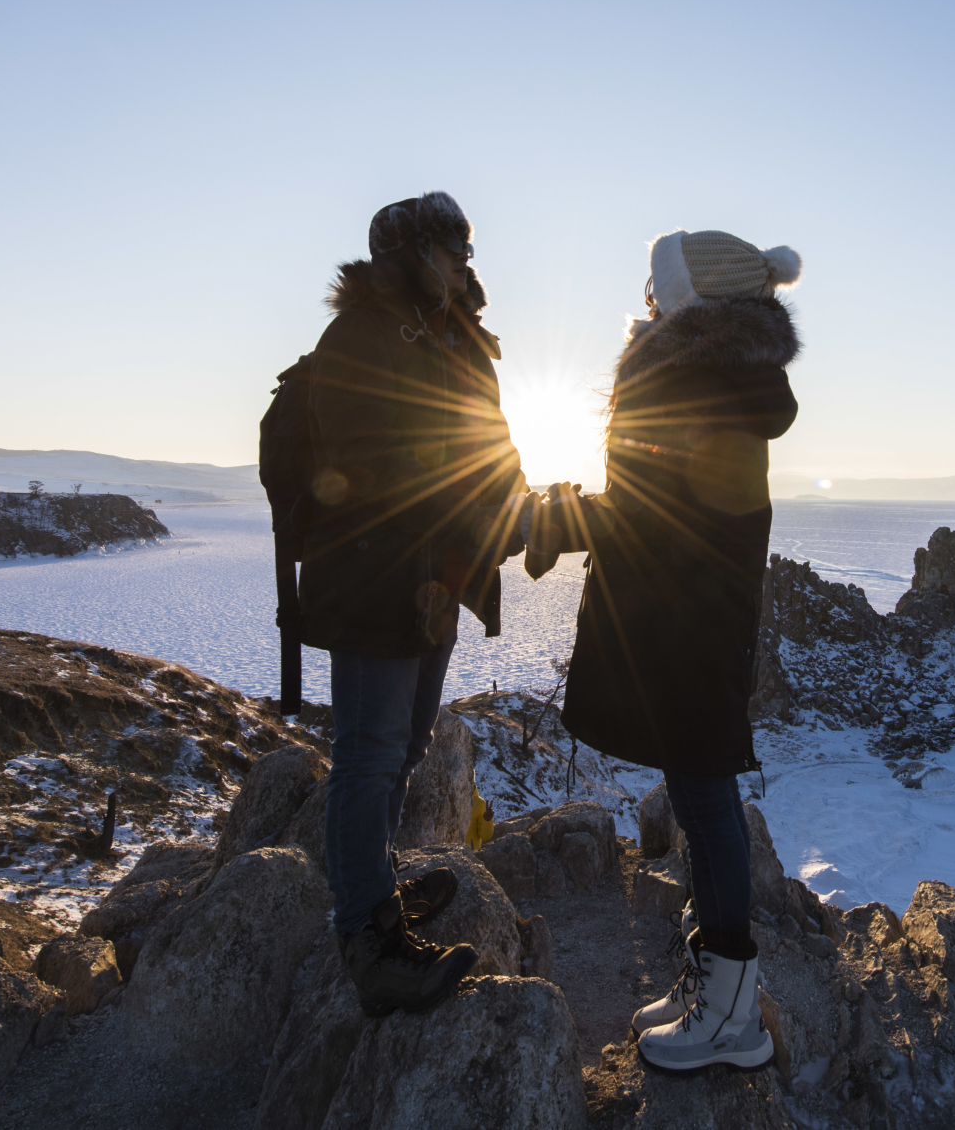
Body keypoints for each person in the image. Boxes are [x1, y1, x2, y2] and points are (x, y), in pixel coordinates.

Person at [537, 228, 802, 1073]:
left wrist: (557, 516)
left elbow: (657, 516)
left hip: (693, 624)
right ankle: (714, 980)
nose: (647, 302)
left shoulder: (705, 387)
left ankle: (731, 1016)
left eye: (660, 290)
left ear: (693, 304)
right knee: (697, 798)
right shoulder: (717, 379)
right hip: (693, 618)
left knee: (707, 798)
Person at [294, 192, 529, 1017]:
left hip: (431, 579)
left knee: (404, 745)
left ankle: (376, 881)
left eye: (469, 248)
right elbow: (372, 465)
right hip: (371, 578)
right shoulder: (361, 334)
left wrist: (514, 511)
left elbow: (485, 441)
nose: (469, 261)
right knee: (367, 749)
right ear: (414, 252)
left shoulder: (450, 336)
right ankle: (365, 935)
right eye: (455, 248)